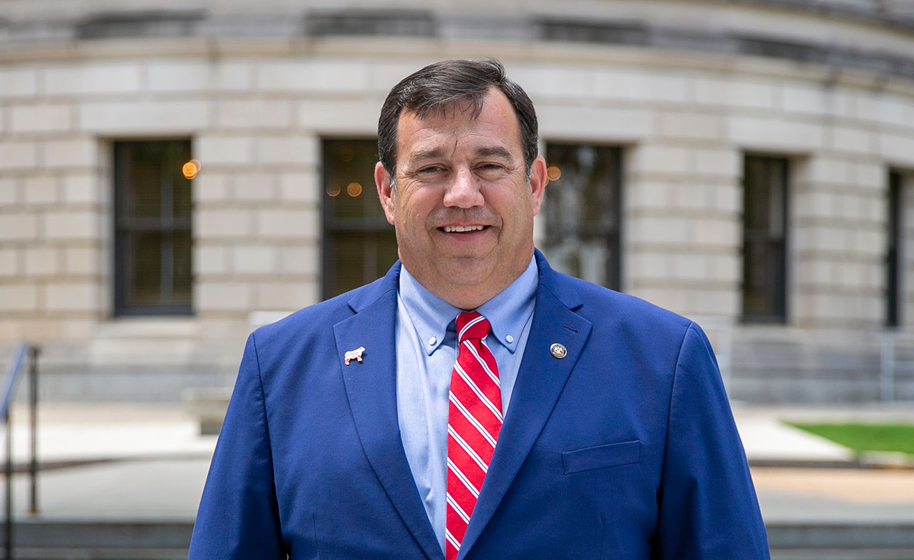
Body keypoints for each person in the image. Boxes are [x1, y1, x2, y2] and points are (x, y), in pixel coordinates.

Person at [188, 58, 770, 560]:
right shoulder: (280, 363)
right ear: (388, 192)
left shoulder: (664, 359)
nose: (462, 194)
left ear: (536, 184)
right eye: (431, 168)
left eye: (490, 166)